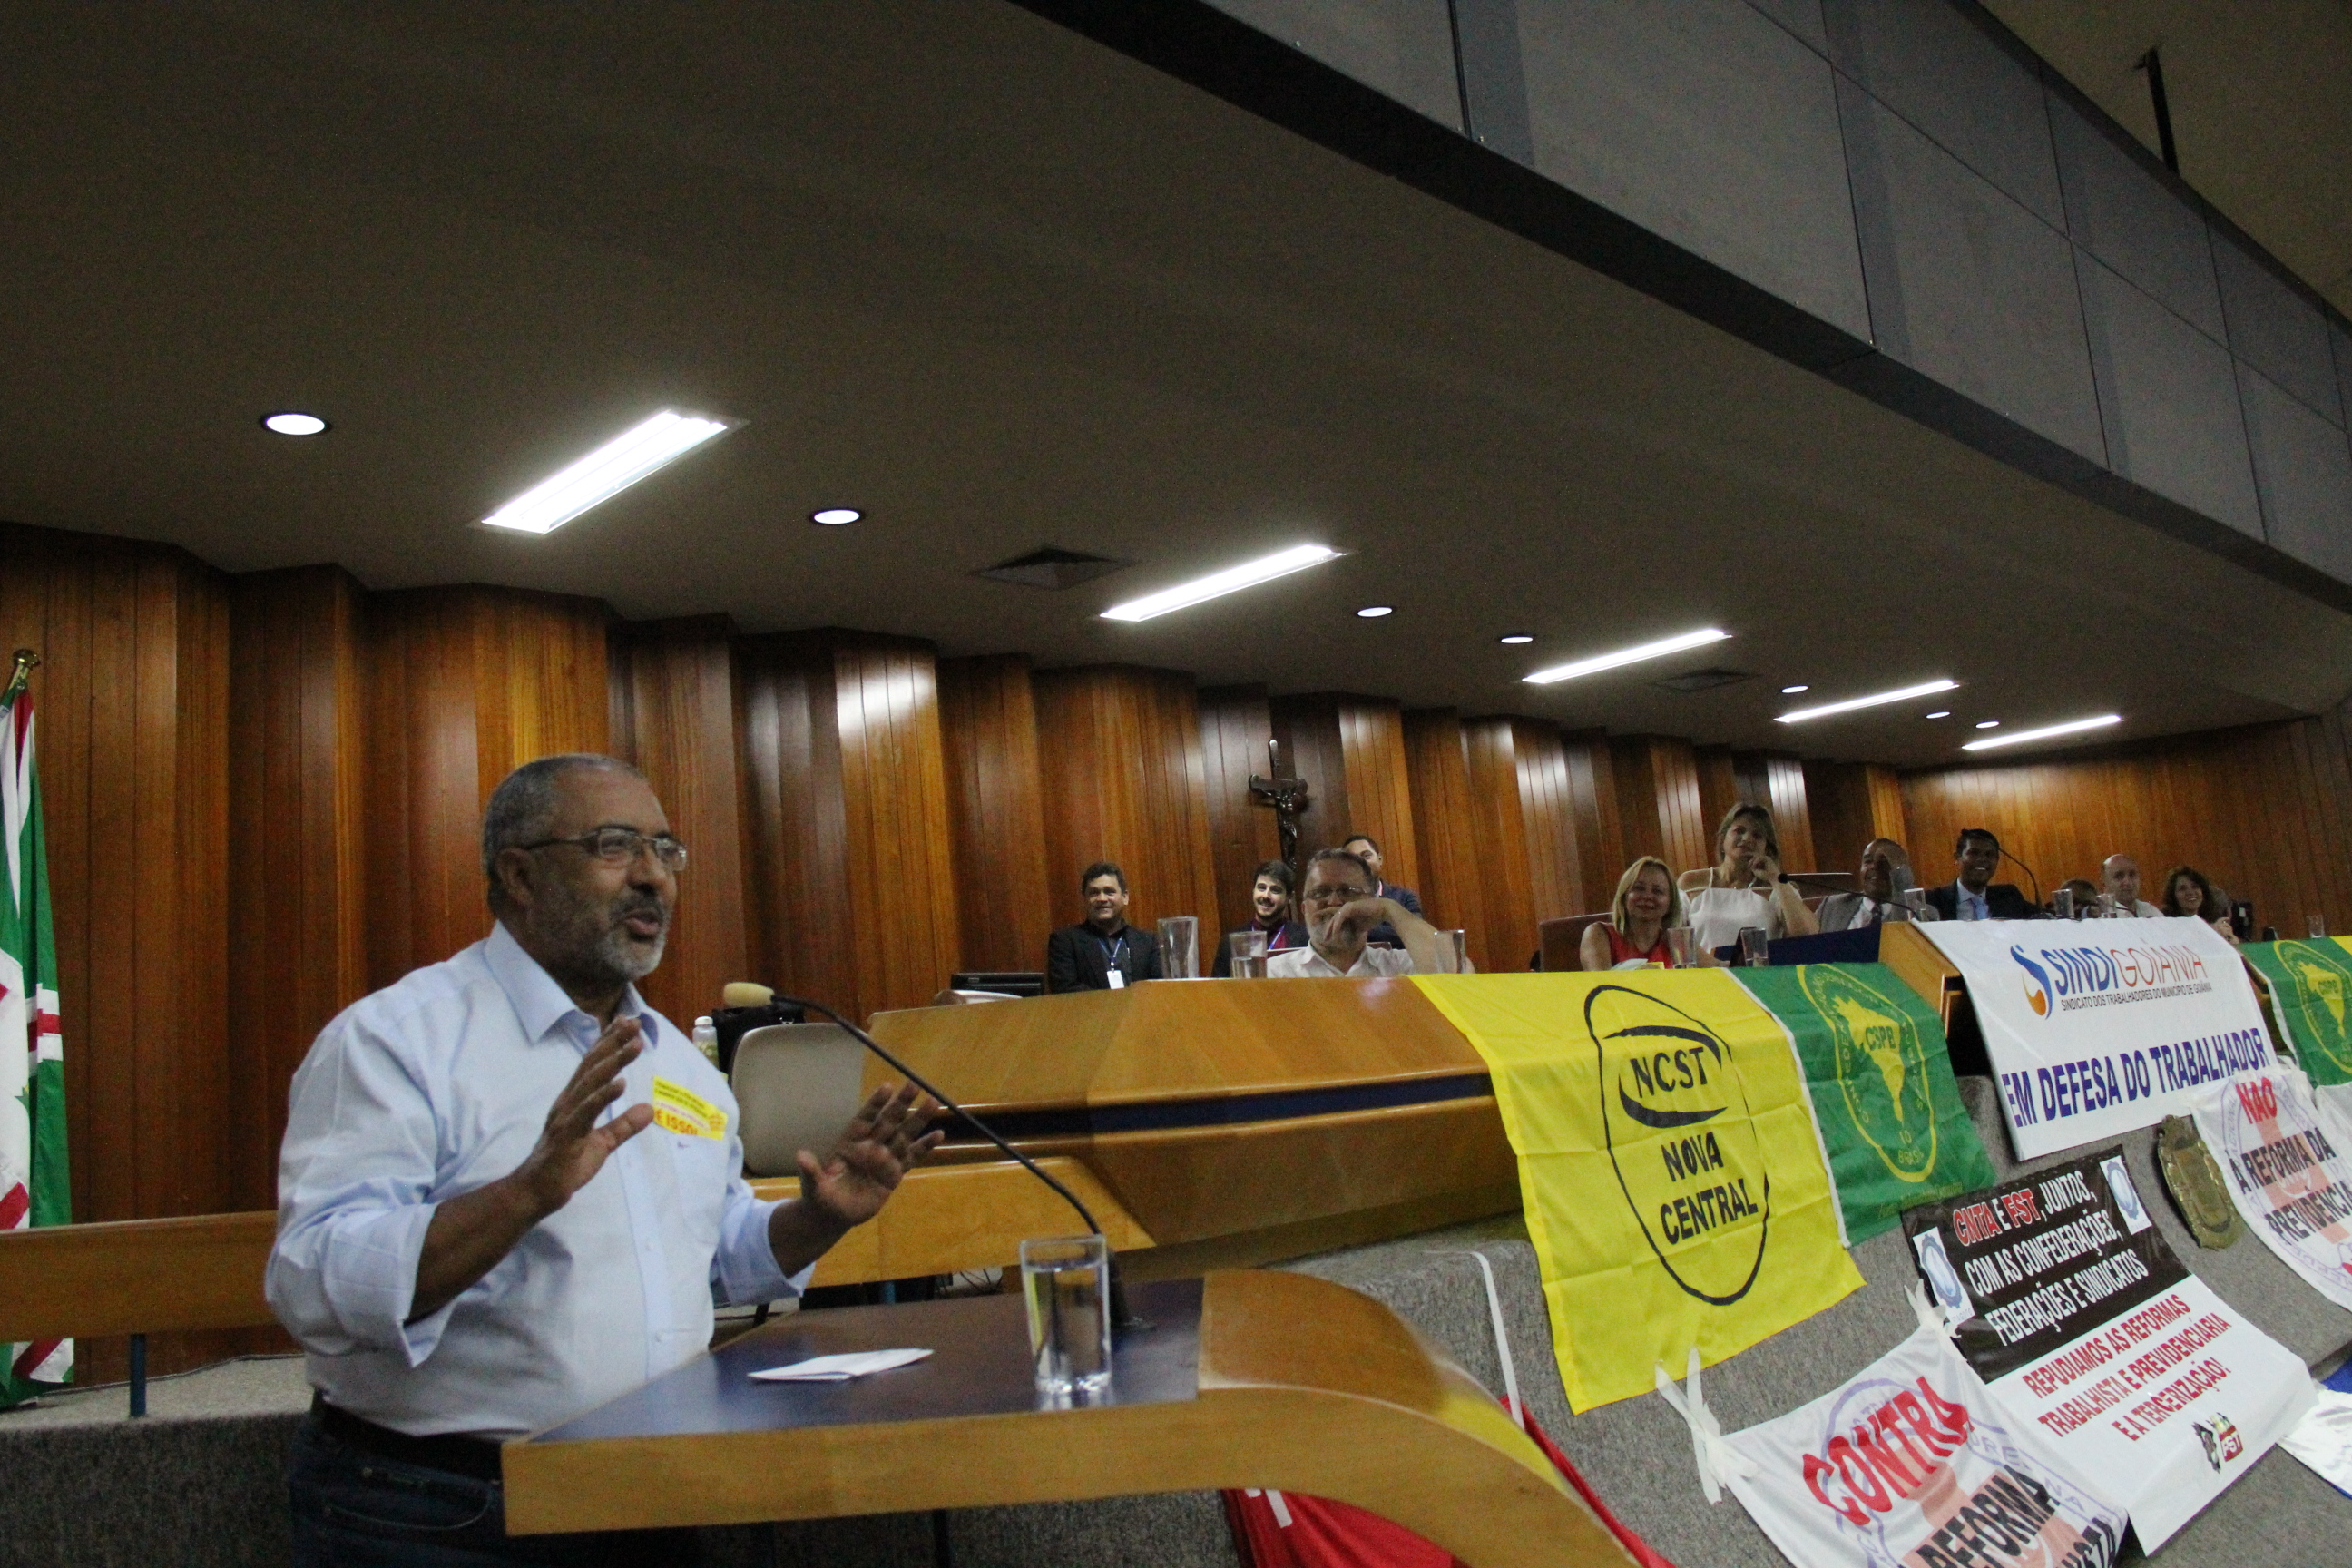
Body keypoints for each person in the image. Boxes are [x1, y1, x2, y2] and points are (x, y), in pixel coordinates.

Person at [269, 755, 942, 1566]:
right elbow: (316, 1281)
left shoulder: (683, 1069)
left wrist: (814, 1221)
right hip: (437, 1507)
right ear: (520, 875)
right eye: (615, 846)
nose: (654, 878)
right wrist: (523, 1196)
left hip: (649, 1490)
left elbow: (701, 1258)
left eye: (667, 850)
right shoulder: (397, 1041)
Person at [1269, 848, 1447, 977]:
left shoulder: (1399, 967)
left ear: (1370, 903)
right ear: (1304, 909)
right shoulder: (1274, 973)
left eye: (1348, 891)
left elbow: (1454, 974)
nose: (1334, 902)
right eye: (1320, 893)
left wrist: (1389, 909)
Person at [1679, 803, 1817, 955]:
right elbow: (1673, 935)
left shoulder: (1776, 887)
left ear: (1766, 848)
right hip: (1705, 969)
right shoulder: (1691, 881)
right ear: (1723, 839)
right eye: (1739, 831)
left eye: (1757, 835)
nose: (1747, 838)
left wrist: (1775, 878)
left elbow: (1807, 934)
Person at [1045, 861, 1163, 991]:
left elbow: (1160, 987)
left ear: (1125, 897)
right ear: (1085, 899)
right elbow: (1066, 990)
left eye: (1109, 892)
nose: (1102, 899)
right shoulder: (1065, 942)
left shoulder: (1148, 942)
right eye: (1094, 893)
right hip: (1090, 1005)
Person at [1582, 856, 1689, 969]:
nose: (1647, 896)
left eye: (1657, 891)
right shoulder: (1599, 935)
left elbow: (1703, 973)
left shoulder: (1678, 942)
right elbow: (1600, 979)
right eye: (1639, 888)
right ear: (1624, 896)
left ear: (1671, 903)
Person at [1817, 838, 1940, 930]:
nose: (1874, 866)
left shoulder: (1923, 914)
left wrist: (1900, 875)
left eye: (1884, 863)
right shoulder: (1832, 906)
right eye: (1868, 861)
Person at [1212, 858, 1308, 975]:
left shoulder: (1305, 939)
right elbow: (1218, 986)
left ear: (1289, 897)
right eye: (1261, 888)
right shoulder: (1229, 942)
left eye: (1275, 890)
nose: (1266, 895)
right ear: (1253, 891)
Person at [1921, 828, 2037, 921]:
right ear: (1957, 858)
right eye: (1974, 853)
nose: (1982, 859)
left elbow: (2042, 917)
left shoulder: (2008, 896)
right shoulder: (1932, 901)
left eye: (1989, 854)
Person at [1340, 832, 1424, 947]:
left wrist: (1356, 928)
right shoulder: (1338, 900)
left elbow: (1415, 934)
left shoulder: (1405, 897)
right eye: (1352, 859)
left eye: (1366, 855)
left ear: (1380, 860)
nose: (1361, 862)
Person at [2160, 864, 2238, 942]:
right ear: (2173, 896)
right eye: (2182, 889)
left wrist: (2229, 938)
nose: (2190, 892)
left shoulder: (2212, 919)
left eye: (2195, 887)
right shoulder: (2167, 924)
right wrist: (2212, 933)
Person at [2101, 853, 2161, 917]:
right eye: (2119, 876)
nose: (2128, 882)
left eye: (2132, 875)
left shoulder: (2151, 911)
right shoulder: (2101, 915)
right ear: (2104, 883)